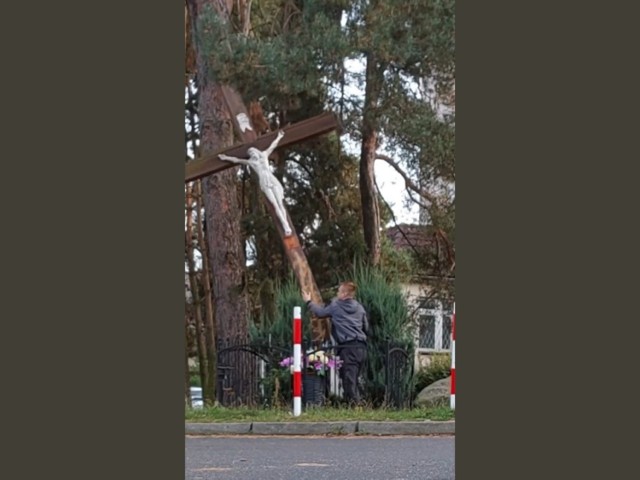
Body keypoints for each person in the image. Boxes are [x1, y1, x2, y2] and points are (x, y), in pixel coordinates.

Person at [302, 281, 369, 406]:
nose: (337, 294)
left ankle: (355, 406)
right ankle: (357, 403)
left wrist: (308, 302)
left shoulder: (336, 306)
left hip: (347, 347)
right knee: (354, 377)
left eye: (339, 291)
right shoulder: (360, 307)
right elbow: (366, 327)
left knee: (348, 379)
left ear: (344, 293)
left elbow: (321, 313)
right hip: (361, 347)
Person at [218, 130, 292, 236]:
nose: (252, 154)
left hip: (272, 180)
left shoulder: (265, 155)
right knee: (275, 205)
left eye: (253, 152)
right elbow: (236, 160)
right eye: (250, 154)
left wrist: (279, 137)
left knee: (280, 203)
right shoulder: (251, 162)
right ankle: (286, 227)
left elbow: (273, 145)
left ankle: (287, 225)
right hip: (264, 183)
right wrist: (225, 158)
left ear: (257, 152)